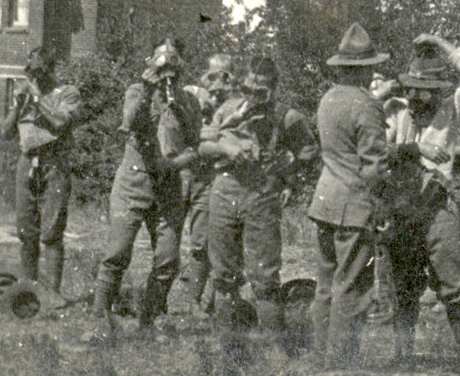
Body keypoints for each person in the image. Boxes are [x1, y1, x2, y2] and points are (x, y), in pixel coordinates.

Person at [380, 33, 460, 369]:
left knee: (453, 281)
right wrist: (397, 83)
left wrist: (439, 43)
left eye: (421, 89)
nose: (414, 95)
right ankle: (402, 356)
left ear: (437, 89)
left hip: (437, 207)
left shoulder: (451, 109)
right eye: (409, 88)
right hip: (401, 207)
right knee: (403, 285)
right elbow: (375, 147)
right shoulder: (393, 110)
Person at [91, 38, 201, 342]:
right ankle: (99, 320)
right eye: (160, 62)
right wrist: (148, 91)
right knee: (117, 252)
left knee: (167, 258)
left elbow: (195, 145)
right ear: (150, 63)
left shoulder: (189, 102)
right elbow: (128, 122)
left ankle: (149, 320)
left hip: (168, 186)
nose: (168, 70)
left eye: (174, 63)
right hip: (134, 181)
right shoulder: (137, 91)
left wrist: (176, 162)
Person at [201, 55, 318, 336]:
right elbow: (203, 146)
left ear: (273, 89)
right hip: (225, 190)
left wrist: (288, 172)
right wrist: (226, 150)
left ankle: (274, 350)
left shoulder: (286, 117)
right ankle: (228, 348)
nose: (253, 97)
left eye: (260, 92)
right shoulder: (227, 109)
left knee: (264, 277)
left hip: (261, 195)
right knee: (223, 276)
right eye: (248, 90)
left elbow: (310, 151)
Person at [308, 23, 391, 367]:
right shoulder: (367, 105)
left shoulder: (328, 99)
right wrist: (382, 205)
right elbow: (374, 166)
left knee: (325, 287)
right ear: (366, 68)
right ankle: (341, 369)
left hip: (325, 201)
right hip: (354, 206)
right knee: (350, 291)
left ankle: (319, 361)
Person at [1, 47, 81, 297]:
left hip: (53, 164)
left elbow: (59, 122)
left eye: (39, 71)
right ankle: (29, 288)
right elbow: (4, 133)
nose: (34, 77)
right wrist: (17, 106)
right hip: (27, 163)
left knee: (52, 231)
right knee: (26, 230)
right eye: (31, 72)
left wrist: (37, 99)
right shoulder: (24, 95)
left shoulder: (67, 93)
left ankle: (53, 295)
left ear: (50, 69)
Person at [169, 53, 236, 316]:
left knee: (202, 241)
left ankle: (194, 300)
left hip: (207, 177)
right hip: (182, 173)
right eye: (212, 73)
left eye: (224, 73)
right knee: (168, 237)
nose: (216, 79)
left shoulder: (232, 103)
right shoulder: (191, 93)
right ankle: (157, 299)